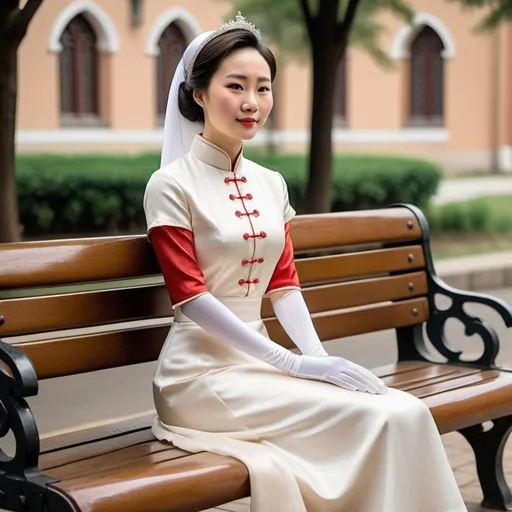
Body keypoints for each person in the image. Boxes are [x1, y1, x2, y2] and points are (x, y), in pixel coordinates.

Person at [143, 12, 467, 512]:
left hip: (261, 372)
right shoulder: (170, 185)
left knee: (403, 412)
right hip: (199, 379)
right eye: (236, 86)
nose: (252, 102)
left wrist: (318, 360)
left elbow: (284, 283)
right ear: (199, 94)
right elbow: (192, 296)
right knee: (376, 418)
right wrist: (293, 363)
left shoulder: (271, 183)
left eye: (263, 87)